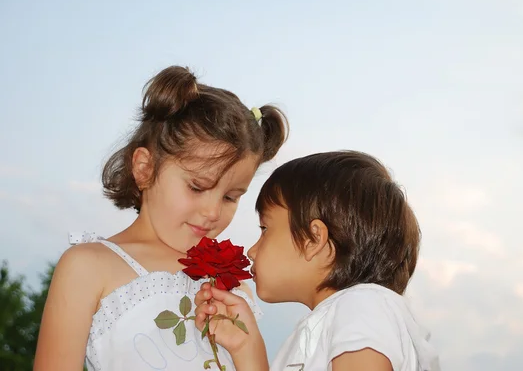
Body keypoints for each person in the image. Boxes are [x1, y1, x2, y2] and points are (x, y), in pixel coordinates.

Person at [34, 65, 289, 371]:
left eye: (230, 197)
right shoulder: (88, 265)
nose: (213, 212)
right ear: (145, 168)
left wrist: (248, 347)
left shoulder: (229, 285)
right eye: (197, 187)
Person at [193, 151, 440, 371]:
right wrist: (246, 347)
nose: (252, 251)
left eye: (265, 228)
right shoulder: (339, 319)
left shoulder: (361, 305)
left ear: (313, 239)